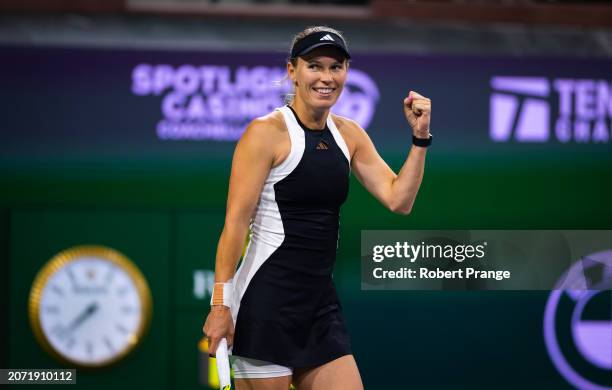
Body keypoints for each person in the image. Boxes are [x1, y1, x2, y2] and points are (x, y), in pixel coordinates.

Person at [203, 26, 432, 390]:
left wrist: (420, 139)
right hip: (267, 304)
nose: (327, 77)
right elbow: (235, 224)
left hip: (320, 306)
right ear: (292, 71)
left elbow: (398, 200)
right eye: (315, 66)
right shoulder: (265, 134)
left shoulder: (350, 134)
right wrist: (221, 306)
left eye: (336, 67)